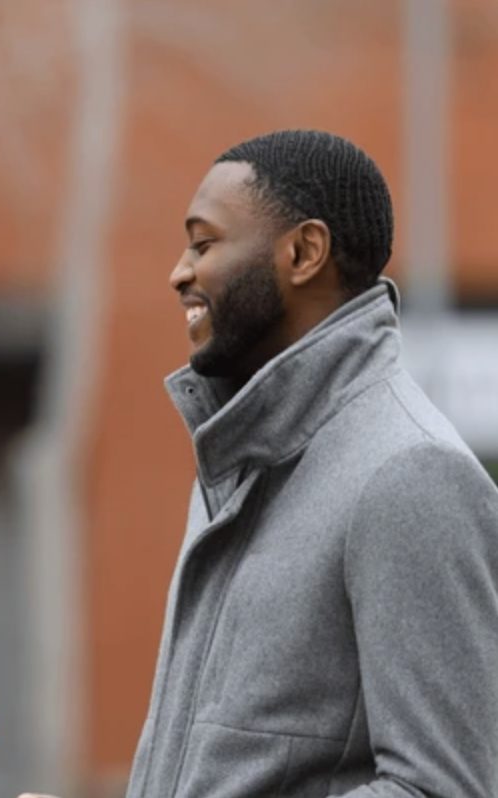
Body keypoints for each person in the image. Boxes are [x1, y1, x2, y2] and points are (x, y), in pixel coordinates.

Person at [124, 130, 498, 796]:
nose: (179, 272)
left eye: (204, 243)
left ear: (303, 252)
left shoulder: (409, 474)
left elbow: (442, 788)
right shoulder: (237, 462)